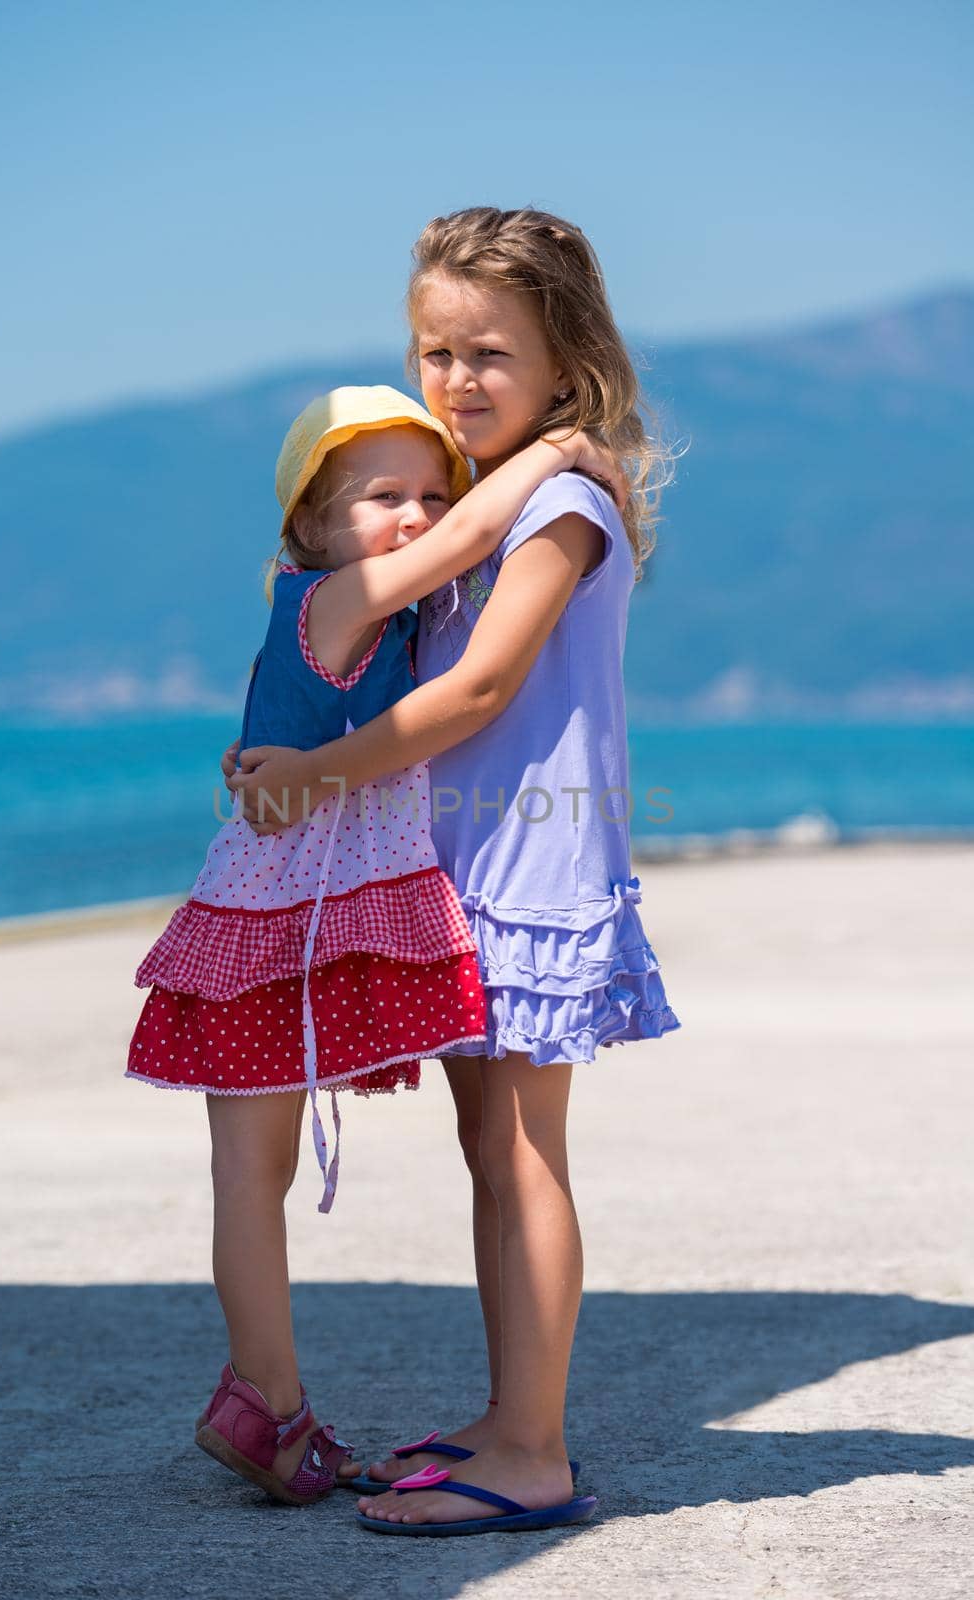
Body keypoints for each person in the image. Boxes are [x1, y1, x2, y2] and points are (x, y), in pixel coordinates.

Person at [227, 208, 681, 1536]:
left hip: (533, 863)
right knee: (492, 1145)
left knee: (527, 1151)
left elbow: (482, 688)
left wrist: (321, 777)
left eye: (491, 352)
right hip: (464, 864)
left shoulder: (561, 502)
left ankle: (534, 1452)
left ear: (565, 359)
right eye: (436, 350)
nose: (456, 380)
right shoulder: (491, 495)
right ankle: (506, 1414)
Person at [128, 382, 619, 1508]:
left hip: (276, 906)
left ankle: (268, 1400)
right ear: (310, 526)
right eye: (380, 496)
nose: (414, 515)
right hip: (278, 922)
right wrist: (562, 453)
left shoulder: (350, 610)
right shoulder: (343, 595)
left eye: (428, 490)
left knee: (254, 1172)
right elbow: (469, 539)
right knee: (253, 1174)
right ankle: (269, 1401)